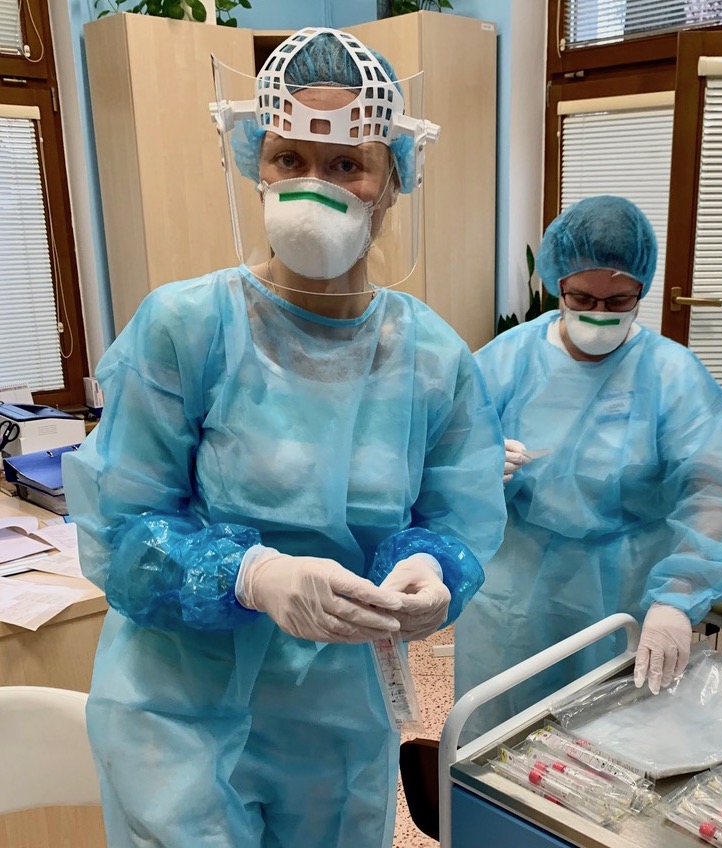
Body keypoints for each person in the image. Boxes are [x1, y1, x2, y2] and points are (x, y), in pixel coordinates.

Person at [62, 27, 506, 848]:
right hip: (179, 712)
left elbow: (456, 515)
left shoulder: (431, 357)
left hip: (336, 718)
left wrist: (430, 566)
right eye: (289, 158)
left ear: (393, 178)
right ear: (253, 163)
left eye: (345, 164)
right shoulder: (186, 327)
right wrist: (249, 574)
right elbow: (118, 531)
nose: (314, 185)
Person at [454, 195, 722, 739]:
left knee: (609, 738)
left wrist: (678, 595)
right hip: (517, 587)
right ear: (557, 284)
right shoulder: (509, 358)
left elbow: (713, 491)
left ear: (642, 290)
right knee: (500, 734)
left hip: (623, 588)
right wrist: (478, 467)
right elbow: (445, 450)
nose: (598, 313)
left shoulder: (671, 375)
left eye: (618, 301)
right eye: (582, 297)